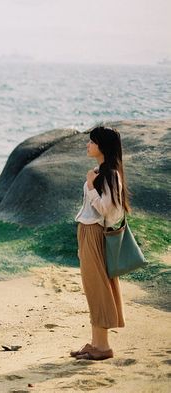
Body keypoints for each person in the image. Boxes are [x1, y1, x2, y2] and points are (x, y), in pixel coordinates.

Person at [71, 125, 130, 361]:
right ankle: (95, 343)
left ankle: (103, 347)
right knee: (91, 287)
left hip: (96, 233)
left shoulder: (111, 175)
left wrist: (91, 186)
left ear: (102, 146)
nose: (88, 145)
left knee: (99, 288)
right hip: (86, 232)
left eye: (92, 141)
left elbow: (109, 210)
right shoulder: (98, 171)